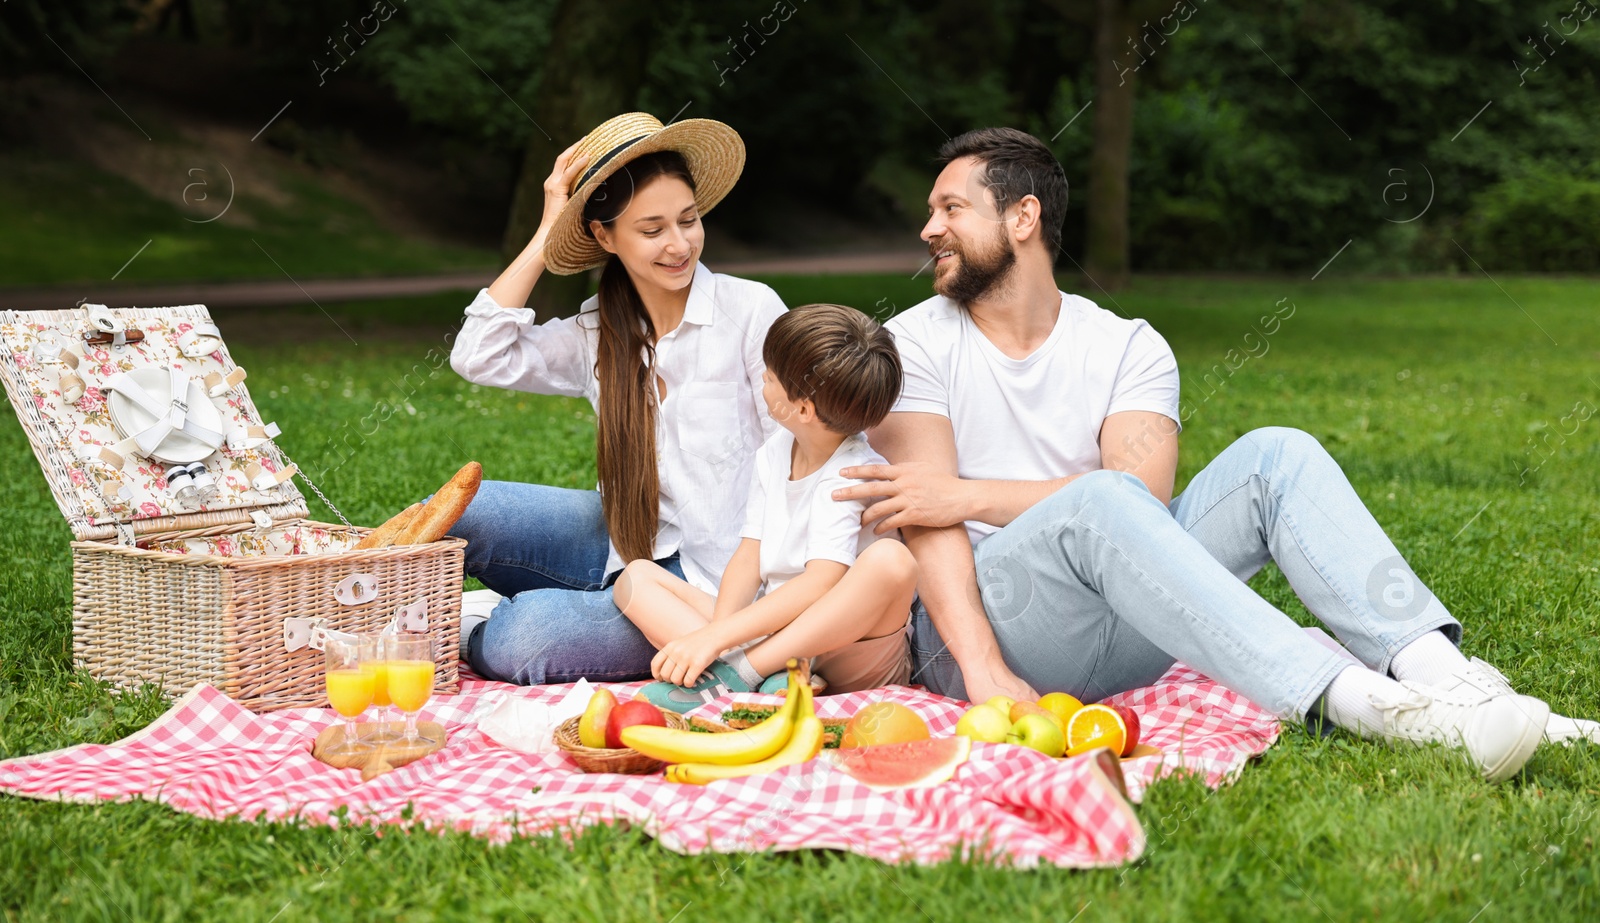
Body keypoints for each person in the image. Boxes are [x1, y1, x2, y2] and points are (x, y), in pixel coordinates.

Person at [837, 126, 1593, 783]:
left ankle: (1451, 681)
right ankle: (1376, 709)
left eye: (950, 208)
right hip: (979, 622)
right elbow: (925, 519)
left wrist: (968, 495)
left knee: (1277, 454)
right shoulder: (913, 343)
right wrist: (981, 668)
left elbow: (1134, 496)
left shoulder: (1128, 345)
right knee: (1099, 501)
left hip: (1127, 615)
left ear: (1023, 216)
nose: (928, 228)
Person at [447, 112, 786, 684]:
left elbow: (796, 461)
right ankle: (574, 599)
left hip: (716, 584)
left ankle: (480, 626)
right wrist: (548, 230)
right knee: (464, 511)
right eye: (652, 230)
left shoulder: (751, 312)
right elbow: (478, 353)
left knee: (522, 639)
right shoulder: (595, 332)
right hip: (625, 542)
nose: (680, 245)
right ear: (605, 236)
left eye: (689, 220)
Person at [613, 304, 919, 712]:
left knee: (892, 560)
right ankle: (764, 675)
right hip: (776, 632)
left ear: (804, 410)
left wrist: (716, 642)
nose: (762, 379)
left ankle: (740, 672)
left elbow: (820, 583)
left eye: (771, 378)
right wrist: (720, 631)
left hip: (847, 654)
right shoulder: (777, 449)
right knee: (634, 578)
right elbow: (750, 552)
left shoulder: (849, 475)